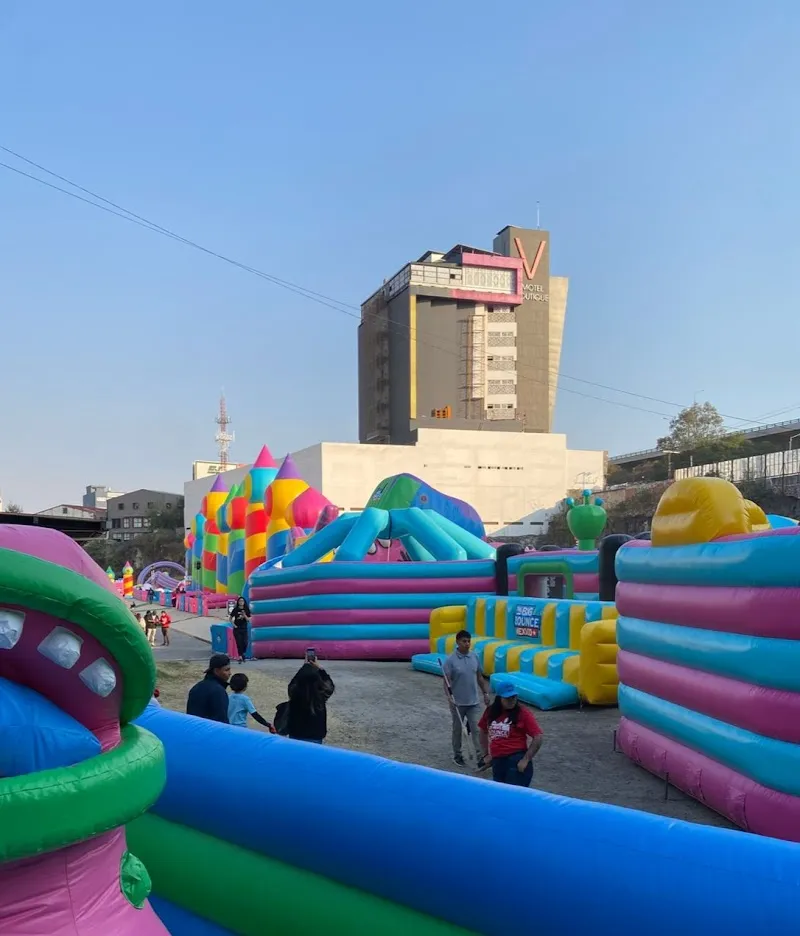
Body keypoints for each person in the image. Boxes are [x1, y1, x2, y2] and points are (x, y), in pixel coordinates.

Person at [478, 681, 543, 787]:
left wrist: (525, 759)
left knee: (514, 796)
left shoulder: (522, 713)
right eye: (507, 698)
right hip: (498, 760)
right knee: (500, 794)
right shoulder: (491, 711)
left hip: (515, 759)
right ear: (499, 698)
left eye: (514, 697)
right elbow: (482, 730)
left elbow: (538, 736)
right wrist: (486, 754)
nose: (512, 700)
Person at [443, 630, 490, 767]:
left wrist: (485, 693)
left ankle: (480, 757)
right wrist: (449, 697)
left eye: (469, 641)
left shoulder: (474, 656)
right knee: (458, 729)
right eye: (464, 641)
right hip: (457, 703)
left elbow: (480, 677)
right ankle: (457, 755)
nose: (467, 644)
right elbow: (446, 682)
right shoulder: (450, 660)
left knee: (476, 729)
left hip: (474, 702)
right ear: (457, 642)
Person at [286, 658, 335, 743]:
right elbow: (330, 685)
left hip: (296, 734)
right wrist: (320, 668)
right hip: (315, 735)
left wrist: (304, 667)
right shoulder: (321, 696)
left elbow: (292, 683)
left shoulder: (294, 694)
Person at [186, 654, 231, 723]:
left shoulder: (197, 687)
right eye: (227, 670)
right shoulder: (218, 691)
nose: (230, 673)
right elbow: (221, 720)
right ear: (216, 671)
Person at [229, 596, 251, 664]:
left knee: (245, 642)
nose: (241, 602)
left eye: (242, 601)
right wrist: (234, 625)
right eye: (240, 601)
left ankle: (243, 653)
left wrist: (244, 615)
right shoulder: (235, 609)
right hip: (237, 629)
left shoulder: (246, 609)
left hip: (244, 628)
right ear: (238, 602)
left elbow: (248, 620)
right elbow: (230, 618)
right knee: (239, 643)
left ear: (244, 602)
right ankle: (240, 656)